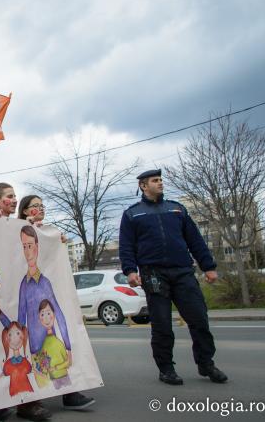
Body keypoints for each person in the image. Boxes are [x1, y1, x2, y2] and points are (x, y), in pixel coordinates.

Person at [119, 169, 228, 385]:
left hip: (183, 272)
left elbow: (195, 240)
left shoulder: (177, 209)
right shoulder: (133, 214)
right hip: (153, 274)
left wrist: (208, 266)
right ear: (143, 185)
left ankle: (206, 363)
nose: (160, 183)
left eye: (161, 180)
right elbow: (126, 246)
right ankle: (166, 369)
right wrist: (130, 271)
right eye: (155, 180)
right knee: (161, 325)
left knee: (199, 319)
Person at [18, 195, 95, 409]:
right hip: (35, 343)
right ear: (24, 210)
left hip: (55, 339)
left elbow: (59, 311)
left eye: (42, 205)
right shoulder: (23, 284)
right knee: (40, 377)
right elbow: (19, 316)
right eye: (35, 206)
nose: (40, 209)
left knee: (63, 370)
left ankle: (70, 395)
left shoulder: (46, 279)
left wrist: (68, 344)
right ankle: (31, 404)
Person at [0, 321, 34, 397]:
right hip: (14, 394)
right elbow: (3, 374)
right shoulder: (8, 364)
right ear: (6, 339)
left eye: (18, 333)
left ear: (23, 336)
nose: (14, 338)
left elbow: (32, 370)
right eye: (10, 335)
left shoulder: (25, 361)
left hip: (28, 392)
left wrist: (43, 373)